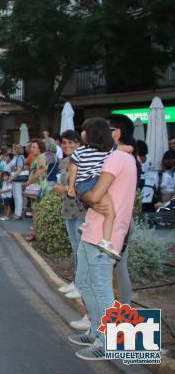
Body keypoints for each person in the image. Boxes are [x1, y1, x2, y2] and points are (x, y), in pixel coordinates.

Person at [69, 114, 138, 361]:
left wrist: (80, 193)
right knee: (85, 283)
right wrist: (82, 195)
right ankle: (97, 331)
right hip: (92, 230)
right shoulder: (117, 157)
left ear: (116, 133)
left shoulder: (118, 158)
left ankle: (107, 341)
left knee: (101, 289)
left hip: (103, 237)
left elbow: (94, 196)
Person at [68, 118, 121, 260]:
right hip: (95, 182)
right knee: (110, 212)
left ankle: (86, 225)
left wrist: (71, 186)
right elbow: (121, 150)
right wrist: (129, 148)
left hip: (81, 184)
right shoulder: (109, 150)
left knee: (93, 205)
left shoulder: (80, 150)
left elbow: (73, 167)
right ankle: (106, 241)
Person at [53, 130, 87, 310]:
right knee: (75, 247)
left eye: (70, 143)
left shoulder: (84, 159)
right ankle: (76, 282)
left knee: (81, 248)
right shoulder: (65, 161)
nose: (66, 146)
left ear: (78, 143)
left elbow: (83, 185)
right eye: (63, 143)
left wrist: (64, 188)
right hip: (68, 207)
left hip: (81, 209)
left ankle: (81, 285)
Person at [22, 139, 47, 241]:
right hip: (42, 185)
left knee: (36, 211)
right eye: (31, 147)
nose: (31, 149)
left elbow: (38, 173)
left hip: (38, 186)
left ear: (40, 148)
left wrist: (28, 183)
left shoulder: (40, 157)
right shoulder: (43, 156)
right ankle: (37, 233)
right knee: (38, 211)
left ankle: (35, 234)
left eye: (34, 147)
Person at [11, 144, 27, 219]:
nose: (12, 150)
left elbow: (19, 170)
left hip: (17, 179)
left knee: (18, 196)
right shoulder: (18, 157)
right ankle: (17, 212)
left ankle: (18, 213)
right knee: (16, 195)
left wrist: (11, 178)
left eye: (13, 149)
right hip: (16, 178)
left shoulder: (20, 157)